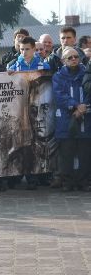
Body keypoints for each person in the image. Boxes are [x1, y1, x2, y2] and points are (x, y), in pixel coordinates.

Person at [53, 47, 90, 191]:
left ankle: (84, 181)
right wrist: (75, 106)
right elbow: (59, 95)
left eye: (76, 57)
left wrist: (82, 108)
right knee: (66, 154)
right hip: (65, 120)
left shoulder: (86, 73)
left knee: (85, 153)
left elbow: (89, 91)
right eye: (70, 58)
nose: (74, 59)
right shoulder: (58, 76)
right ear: (63, 60)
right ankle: (67, 182)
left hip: (85, 118)